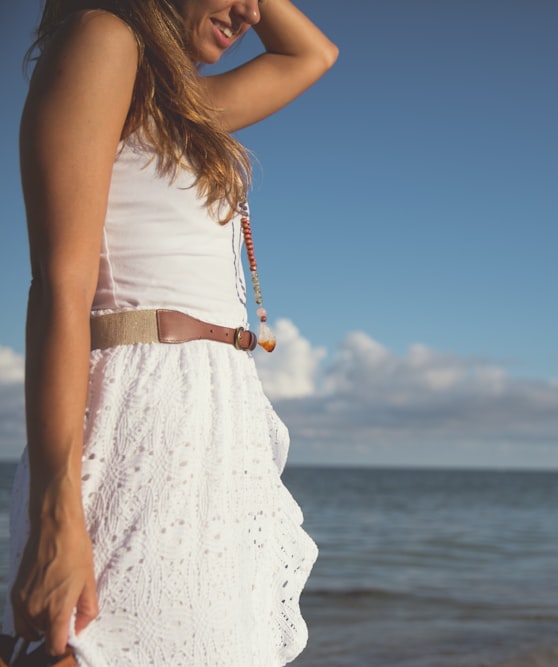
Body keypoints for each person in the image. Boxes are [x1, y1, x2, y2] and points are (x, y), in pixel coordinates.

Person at [2, 0, 337, 664]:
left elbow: (312, 56)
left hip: (211, 430)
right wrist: (55, 513)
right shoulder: (102, 38)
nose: (249, 11)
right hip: (140, 424)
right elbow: (59, 289)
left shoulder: (179, 108)